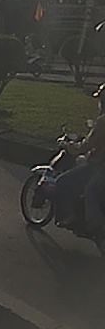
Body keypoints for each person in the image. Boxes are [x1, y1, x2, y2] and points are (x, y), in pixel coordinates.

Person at [55, 84, 105, 235]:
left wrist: (68, 145)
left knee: (63, 182)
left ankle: (72, 218)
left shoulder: (102, 122)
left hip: (99, 167)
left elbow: (85, 147)